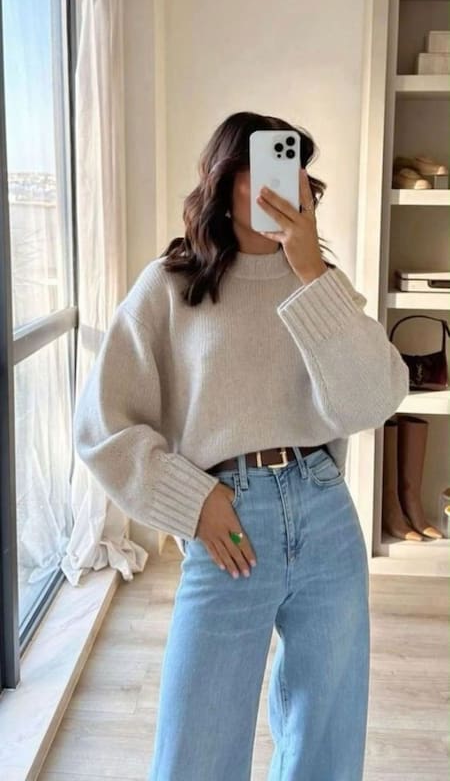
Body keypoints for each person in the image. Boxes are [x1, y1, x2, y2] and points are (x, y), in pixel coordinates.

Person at [73, 111, 410, 781]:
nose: (284, 184)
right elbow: (102, 425)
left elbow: (375, 400)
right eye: (263, 167)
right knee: (196, 750)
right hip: (228, 519)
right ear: (224, 182)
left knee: (326, 739)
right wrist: (191, 501)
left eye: (295, 168)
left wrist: (311, 272)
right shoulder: (171, 285)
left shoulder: (320, 282)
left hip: (324, 511)